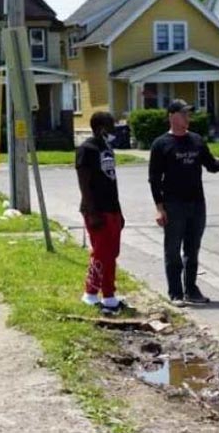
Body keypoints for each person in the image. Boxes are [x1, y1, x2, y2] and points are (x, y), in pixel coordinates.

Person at [149, 99, 219, 307]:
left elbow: (212, 165)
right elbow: (154, 178)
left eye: (189, 114)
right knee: (173, 250)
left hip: (197, 204)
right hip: (173, 204)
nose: (188, 117)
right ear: (172, 116)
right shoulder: (161, 144)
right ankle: (175, 292)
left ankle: (191, 289)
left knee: (192, 250)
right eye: (184, 113)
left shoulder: (196, 140)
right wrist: (160, 209)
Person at [75, 111, 127, 315]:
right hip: (96, 209)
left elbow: (111, 181)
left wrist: (119, 211)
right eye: (111, 124)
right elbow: (84, 182)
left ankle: (109, 295)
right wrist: (92, 210)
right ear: (102, 127)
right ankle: (90, 293)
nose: (115, 128)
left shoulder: (106, 147)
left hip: (112, 207)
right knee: (101, 253)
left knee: (111, 254)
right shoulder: (86, 149)